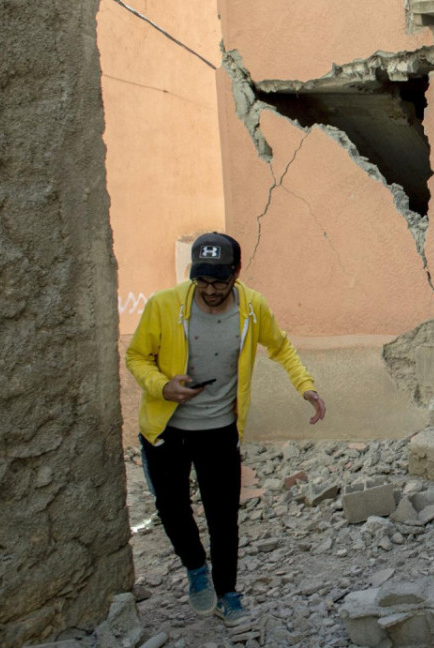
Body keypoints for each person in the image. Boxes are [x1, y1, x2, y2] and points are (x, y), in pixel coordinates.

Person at [126, 232, 325, 626]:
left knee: (223, 518)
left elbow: (280, 346)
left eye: (220, 281)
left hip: (219, 430)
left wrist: (306, 386)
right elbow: (137, 356)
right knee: (172, 510)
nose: (211, 290)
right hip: (166, 430)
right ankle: (196, 567)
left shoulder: (252, 308)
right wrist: (161, 386)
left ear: (236, 273)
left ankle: (228, 593)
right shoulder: (164, 305)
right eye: (202, 281)